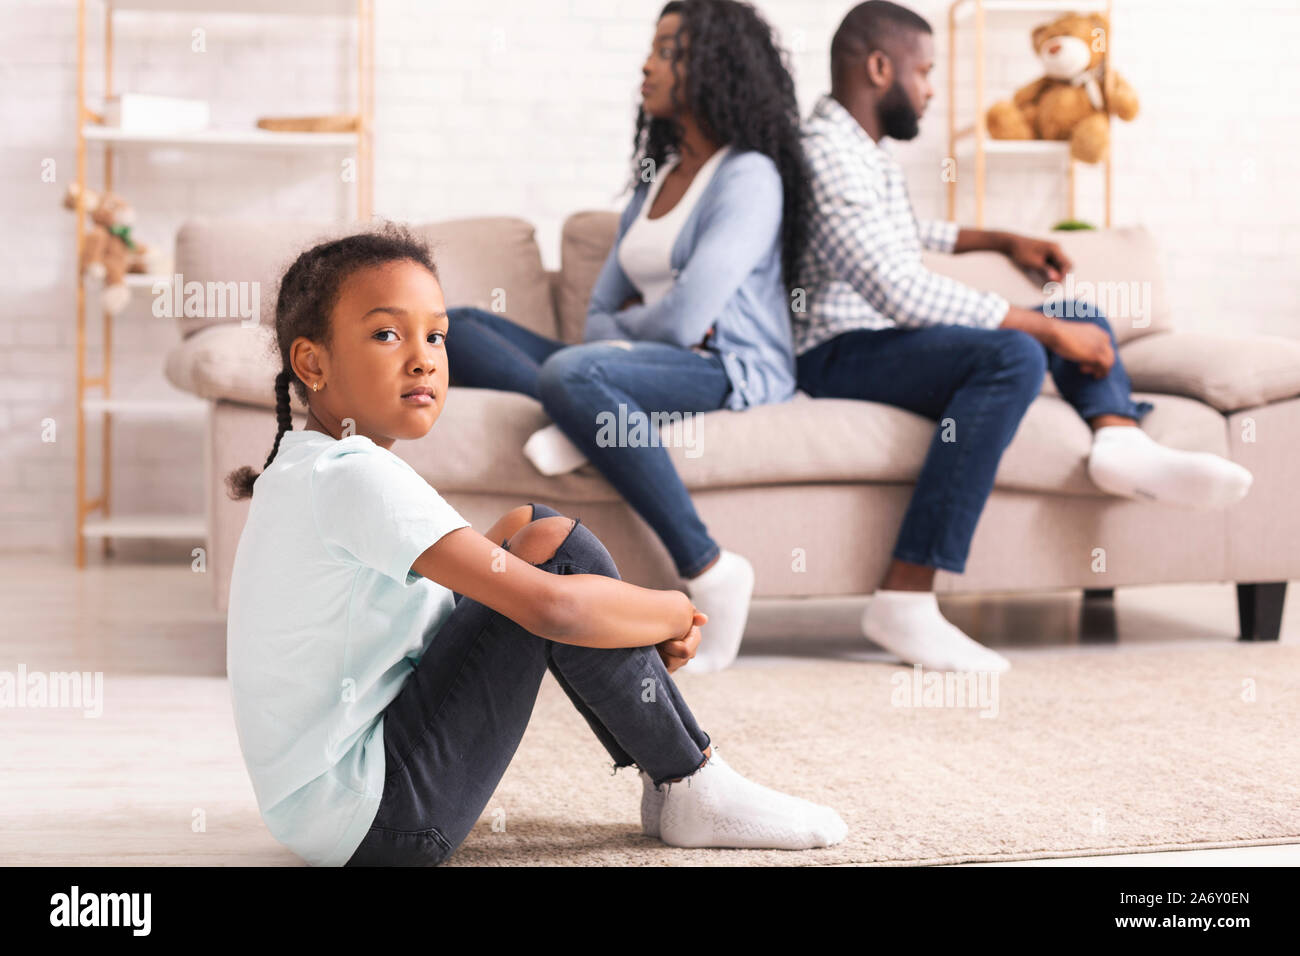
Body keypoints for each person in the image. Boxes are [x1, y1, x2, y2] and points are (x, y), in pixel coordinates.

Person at [222, 225, 846, 867]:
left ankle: (677, 784)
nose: (423, 358)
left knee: (537, 528)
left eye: (435, 334)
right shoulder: (354, 474)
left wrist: (530, 542)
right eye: (387, 333)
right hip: (387, 822)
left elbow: (441, 602)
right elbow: (552, 610)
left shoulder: (309, 467)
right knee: (555, 557)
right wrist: (673, 610)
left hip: (330, 814)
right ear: (312, 362)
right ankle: (691, 780)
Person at [794, 1, 1253, 673]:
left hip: (876, 339)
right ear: (879, 67)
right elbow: (899, 288)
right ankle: (904, 597)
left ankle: (1120, 442)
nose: (929, 89)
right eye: (924, 73)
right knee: (1016, 350)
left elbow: (906, 235)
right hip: (834, 353)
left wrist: (1005, 239)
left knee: (1077, 316)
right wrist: (1041, 330)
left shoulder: (859, 150)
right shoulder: (823, 154)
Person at [443, 0, 810, 673]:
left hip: (719, 365)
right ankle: (586, 419)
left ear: (716, 65)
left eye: (668, 49)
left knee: (572, 374)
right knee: (457, 328)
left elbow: (681, 320)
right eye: (653, 46)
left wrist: (630, 329)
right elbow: (598, 314)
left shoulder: (750, 176)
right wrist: (628, 331)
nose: (648, 63)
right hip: (623, 365)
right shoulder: (657, 181)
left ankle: (710, 564)